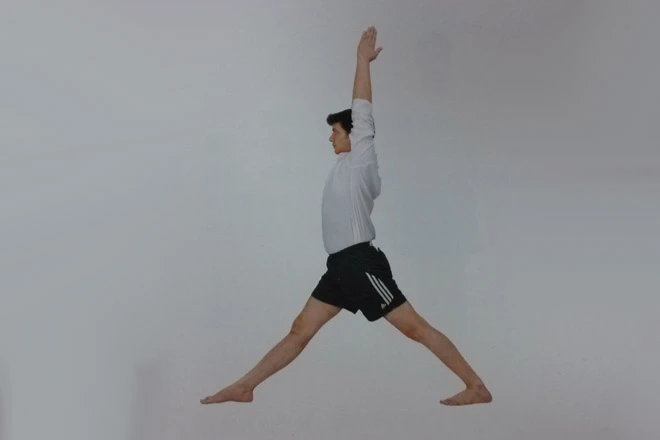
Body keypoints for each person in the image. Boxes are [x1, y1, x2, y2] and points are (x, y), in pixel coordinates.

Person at [201, 26, 492, 407]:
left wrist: (361, 61)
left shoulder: (360, 159)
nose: (330, 137)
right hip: (339, 266)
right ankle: (245, 386)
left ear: (354, 136)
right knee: (300, 330)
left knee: (415, 328)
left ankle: (476, 386)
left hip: (360, 262)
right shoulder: (342, 167)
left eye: (336, 131)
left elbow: (362, 108)